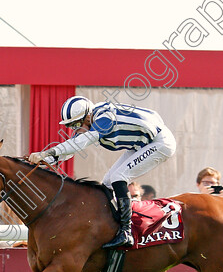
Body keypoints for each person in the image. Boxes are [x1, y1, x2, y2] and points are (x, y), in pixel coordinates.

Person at [28, 96, 176, 248]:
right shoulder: (91, 118)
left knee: (119, 177)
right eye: (71, 125)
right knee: (107, 182)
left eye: (76, 124)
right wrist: (45, 160)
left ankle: (126, 231)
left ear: (88, 116)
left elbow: (81, 142)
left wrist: (48, 153)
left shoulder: (104, 118)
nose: (75, 128)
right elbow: (72, 149)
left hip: (160, 143)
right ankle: (112, 225)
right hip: (143, 143)